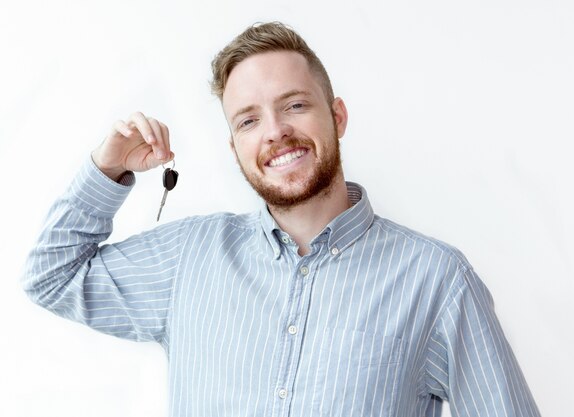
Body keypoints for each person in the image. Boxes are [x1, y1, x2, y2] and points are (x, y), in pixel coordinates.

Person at [22, 21, 541, 417]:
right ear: (235, 146)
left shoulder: (438, 281)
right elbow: (51, 276)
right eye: (249, 120)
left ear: (336, 117)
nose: (274, 132)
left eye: (293, 105)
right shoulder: (188, 258)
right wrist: (107, 166)